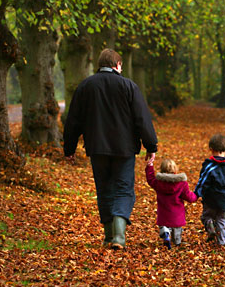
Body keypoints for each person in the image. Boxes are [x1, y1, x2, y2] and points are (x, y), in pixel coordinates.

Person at [63, 49, 157, 249]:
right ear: (117, 65)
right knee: (123, 189)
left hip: (97, 148)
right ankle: (119, 237)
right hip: (124, 149)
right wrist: (151, 145)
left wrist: (69, 148)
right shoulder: (128, 86)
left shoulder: (85, 86)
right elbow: (142, 118)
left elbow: (73, 121)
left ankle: (108, 236)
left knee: (104, 189)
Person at [194, 133, 225, 246]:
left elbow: (202, 181)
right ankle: (221, 242)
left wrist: (196, 193)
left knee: (206, 216)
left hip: (210, 198)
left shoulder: (209, 166)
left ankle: (210, 226)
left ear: (211, 149)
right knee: (223, 219)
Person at [145, 158, 197, 249]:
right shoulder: (181, 183)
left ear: (161, 170)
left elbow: (150, 179)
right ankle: (177, 242)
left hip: (163, 212)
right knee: (177, 229)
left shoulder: (158, 182)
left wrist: (150, 166)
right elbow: (188, 196)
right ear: (175, 169)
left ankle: (165, 231)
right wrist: (196, 196)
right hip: (177, 214)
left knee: (164, 225)